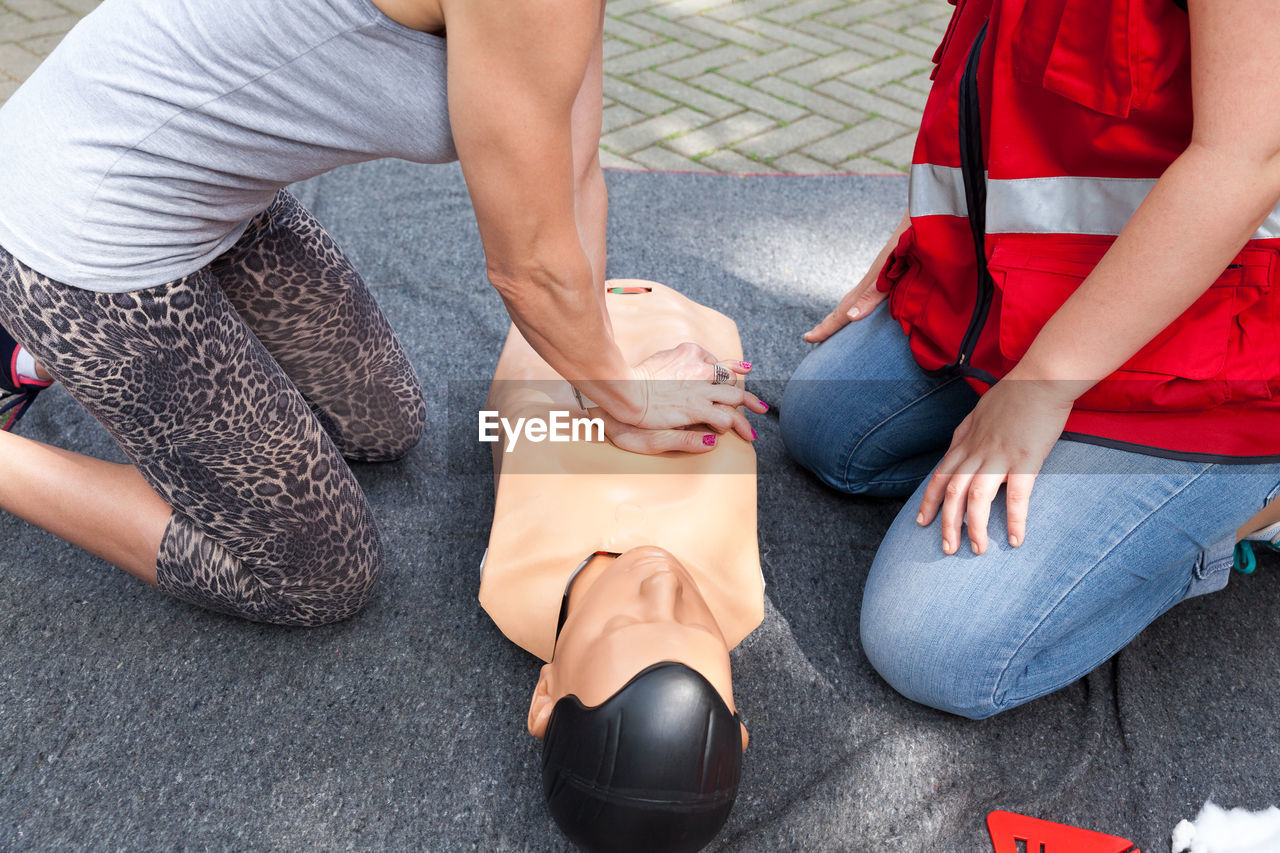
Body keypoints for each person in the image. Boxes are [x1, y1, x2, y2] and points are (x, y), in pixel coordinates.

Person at [0, 0, 766, 626]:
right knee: (315, 575)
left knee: (382, 423)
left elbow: (573, 169)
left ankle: (35, 352)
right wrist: (627, 401)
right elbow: (528, 269)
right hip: (79, 235)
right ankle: (42, 353)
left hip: (206, 207)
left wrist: (605, 380)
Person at [780, 0, 1280, 719]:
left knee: (929, 643)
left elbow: (1246, 159)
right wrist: (925, 236)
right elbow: (1000, 76)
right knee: (826, 426)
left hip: (1210, 355)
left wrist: (1045, 384)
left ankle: (1245, 507)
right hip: (1033, 297)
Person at [481, 281, 763, 852]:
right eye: (692, 624)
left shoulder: (511, 580)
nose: (661, 581)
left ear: (544, 696)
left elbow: (512, 414)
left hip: (561, 307)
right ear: (738, 725)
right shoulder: (740, 592)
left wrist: (599, 403)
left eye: (624, 626)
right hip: (692, 315)